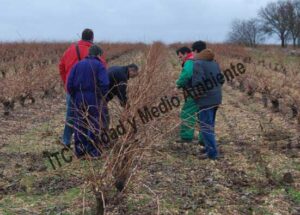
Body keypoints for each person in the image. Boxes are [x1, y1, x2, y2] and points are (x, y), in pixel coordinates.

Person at [59, 28, 106, 147]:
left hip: (72, 89)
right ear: (92, 38)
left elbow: (61, 66)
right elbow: (103, 68)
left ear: (81, 36)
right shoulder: (95, 51)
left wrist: (67, 84)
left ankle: (66, 141)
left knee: (71, 115)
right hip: (91, 91)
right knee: (91, 117)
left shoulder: (70, 49)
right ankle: (90, 143)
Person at [67, 45, 109, 158]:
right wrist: (100, 95)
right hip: (92, 96)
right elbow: (105, 83)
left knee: (79, 122)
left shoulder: (77, 64)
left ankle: (80, 151)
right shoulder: (99, 65)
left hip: (78, 97)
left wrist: (74, 95)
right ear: (98, 54)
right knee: (93, 122)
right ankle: (93, 151)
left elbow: (69, 83)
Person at [190, 41, 223, 160]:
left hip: (206, 100)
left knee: (205, 127)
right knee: (210, 125)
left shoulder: (198, 63)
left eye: (192, 51)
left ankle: (212, 154)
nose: (192, 54)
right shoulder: (214, 63)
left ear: (196, 51)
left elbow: (198, 82)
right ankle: (210, 147)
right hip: (216, 98)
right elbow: (221, 80)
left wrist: (195, 96)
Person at [175, 47, 203, 144]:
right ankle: (203, 139)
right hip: (202, 91)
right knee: (201, 114)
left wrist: (177, 84)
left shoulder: (189, 62)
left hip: (193, 92)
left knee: (186, 113)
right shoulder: (198, 60)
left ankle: (186, 137)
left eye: (181, 56)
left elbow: (186, 75)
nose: (180, 58)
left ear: (186, 53)